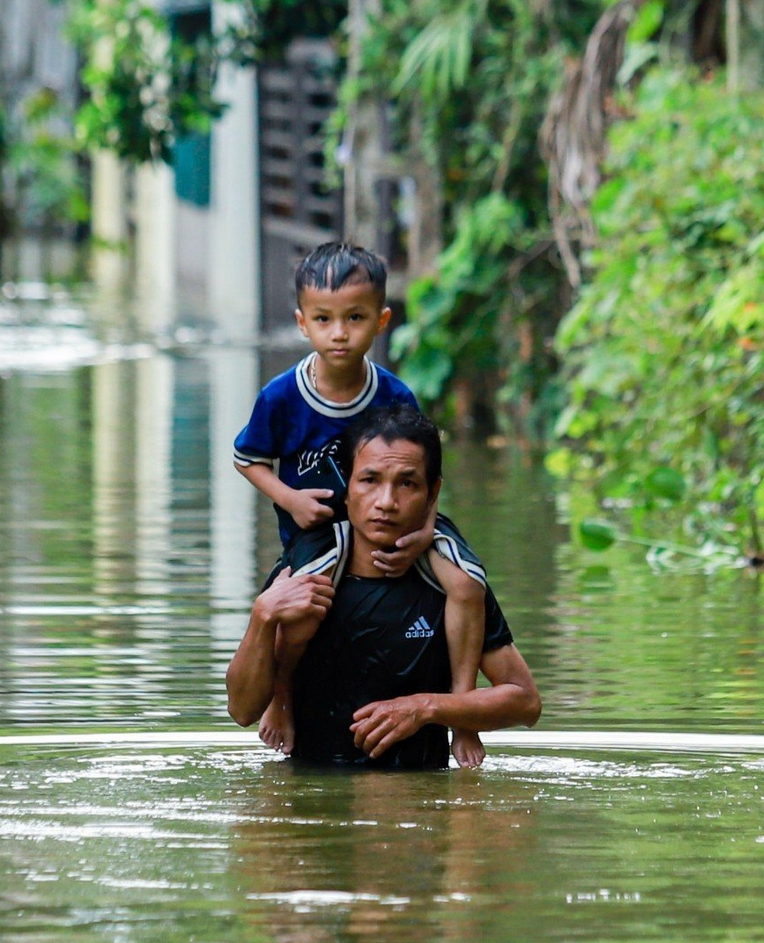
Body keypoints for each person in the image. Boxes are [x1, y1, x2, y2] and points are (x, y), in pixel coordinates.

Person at [232, 243, 491, 766]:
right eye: (324, 319)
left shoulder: (394, 394)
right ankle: (281, 700)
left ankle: (464, 715)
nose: (340, 333)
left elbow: (421, 464)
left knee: (467, 584)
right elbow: (246, 457)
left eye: (355, 318)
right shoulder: (282, 396)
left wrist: (424, 534)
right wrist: (288, 498)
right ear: (303, 323)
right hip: (320, 533)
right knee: (304, 610)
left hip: (398, 528)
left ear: (382, 320)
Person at [226, 406, 542, 770]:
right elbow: (242, 709)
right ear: (346, 487)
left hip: (419, 802)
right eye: (369, 480)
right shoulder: (304, 573)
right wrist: (262, 616)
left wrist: (424, 708)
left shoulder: (452, 582)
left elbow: (525, 703)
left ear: (432, 492)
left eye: (407, 483)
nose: (386, 502)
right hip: (311, 799)